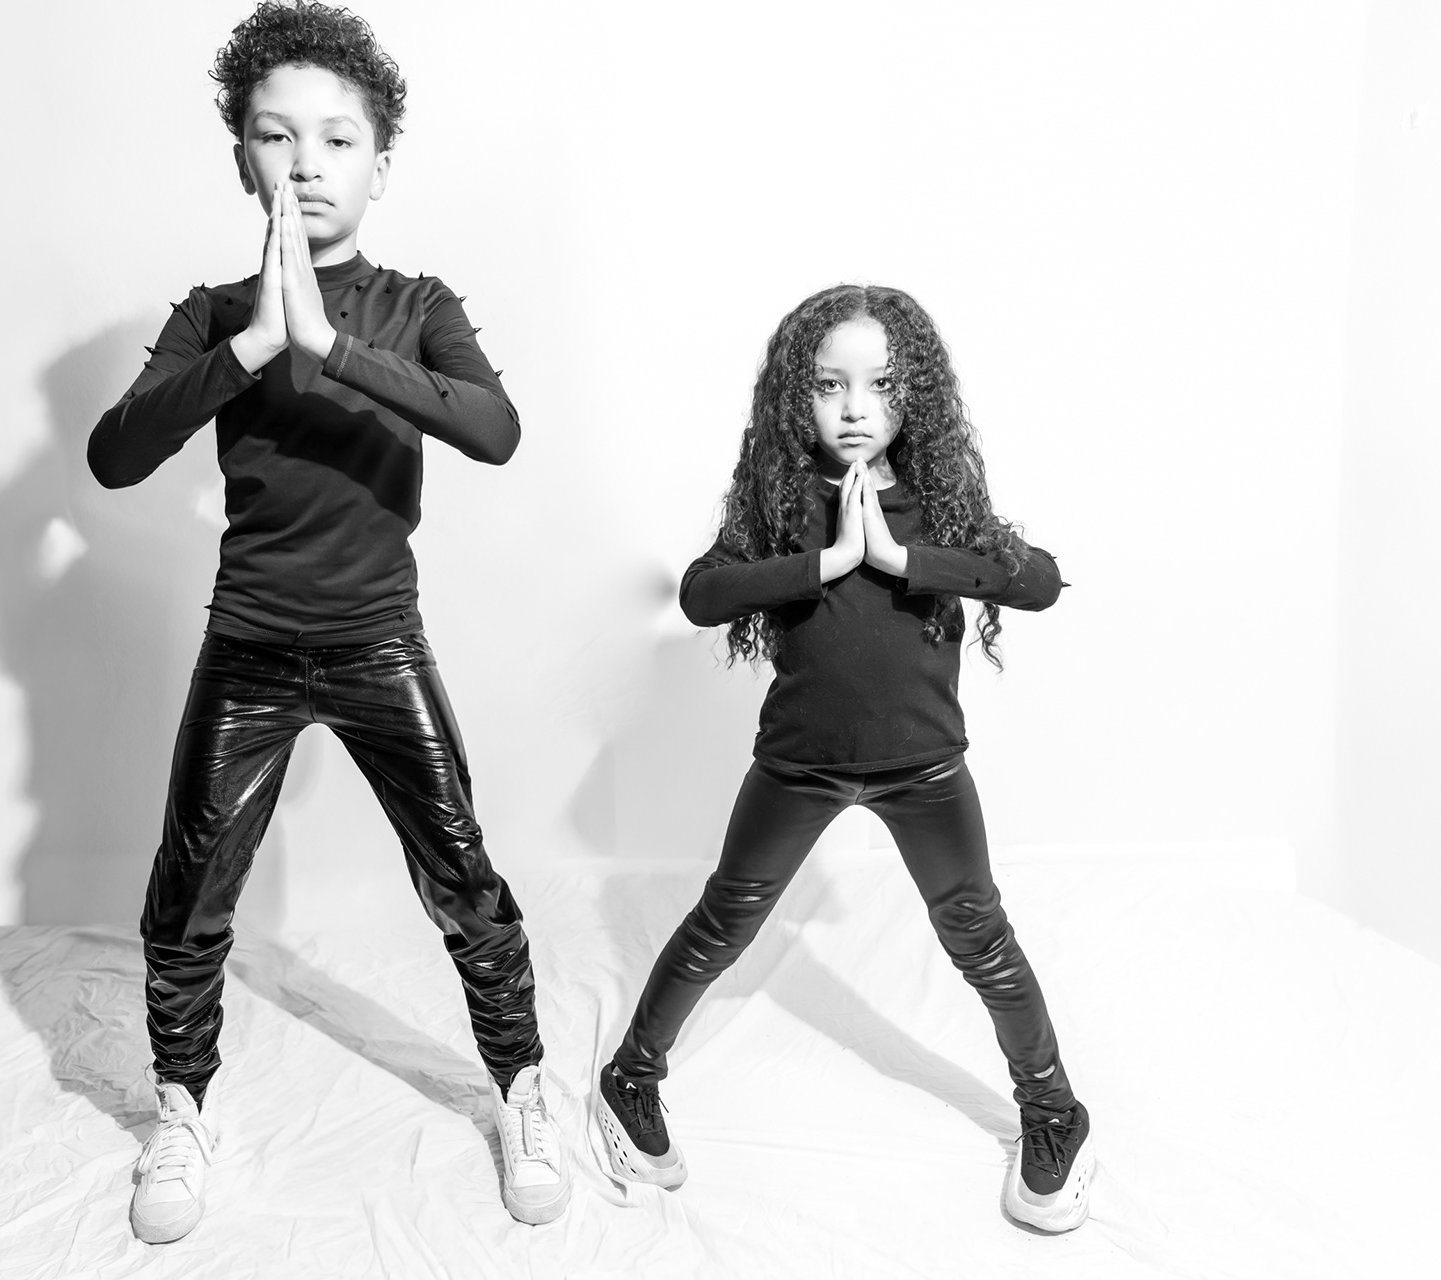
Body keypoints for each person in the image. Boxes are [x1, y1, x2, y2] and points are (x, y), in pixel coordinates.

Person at [86, 1, 567, 1243]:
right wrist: (256, 343)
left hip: (377, 642)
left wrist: (329, 344)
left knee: (461, 876)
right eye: (275, 135)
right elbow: (115, 456)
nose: (306, 164)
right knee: (188, 892)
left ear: (380, 165)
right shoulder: (211, 315)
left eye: (337, 139)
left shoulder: (416, 304)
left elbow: (494, 430)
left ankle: (522, 1085)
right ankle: (182, 1107)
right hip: (247, 646)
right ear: (241, 158)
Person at [592, 284, 1094, 1233]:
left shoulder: (939, 501)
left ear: (917, 395)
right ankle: (630, 1078)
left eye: (881, 385)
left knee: (980, 937)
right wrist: (826, 563)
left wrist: (902, 560)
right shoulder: (783, 502)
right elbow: (702, 594)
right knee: (724, 921)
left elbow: (1037, 581)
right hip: (800, 765)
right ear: (799, 396)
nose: (855, 407)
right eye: (830, 385)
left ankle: (1055, 1111)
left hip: (925, 769)